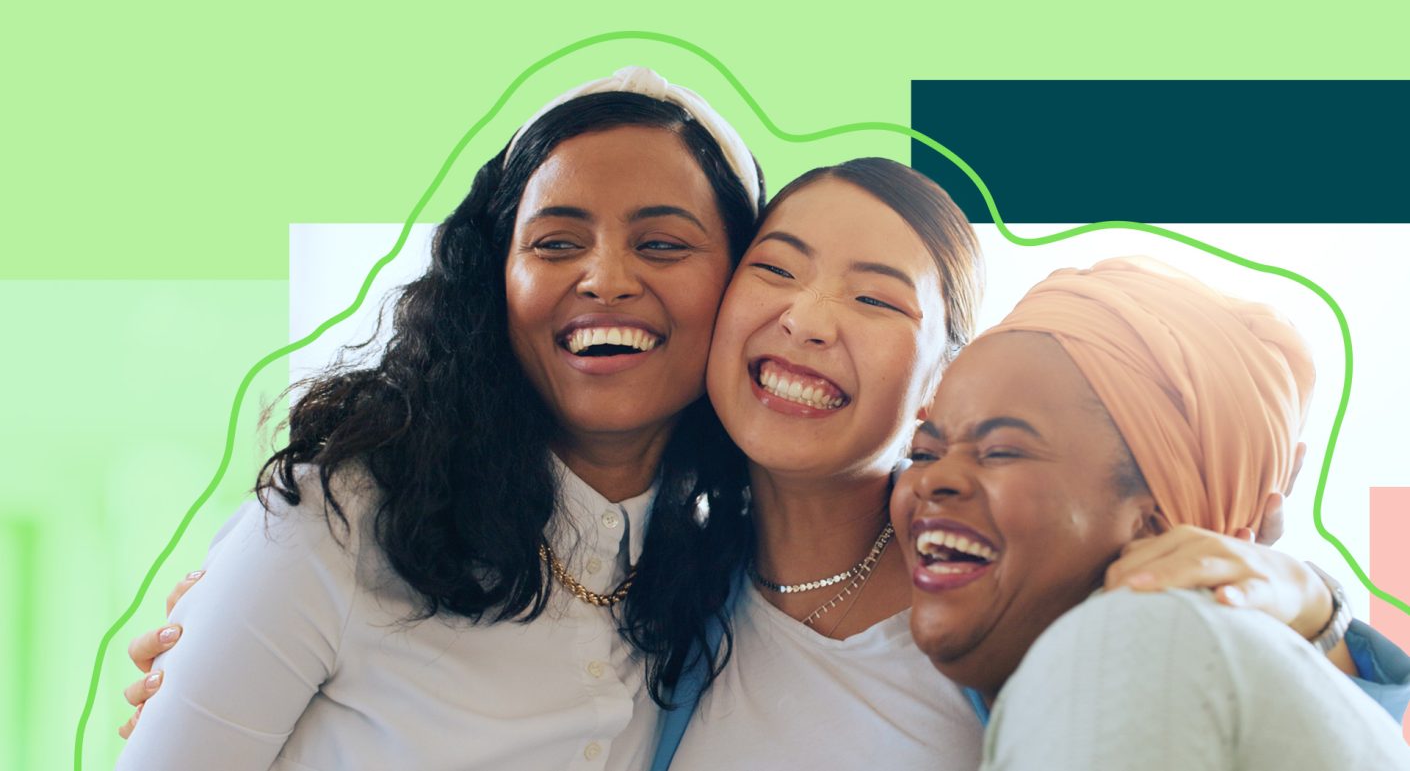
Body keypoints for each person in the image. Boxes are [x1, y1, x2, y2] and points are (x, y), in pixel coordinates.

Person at [125, 155, 1409, 767]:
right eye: (777, 272)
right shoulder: (644, 595)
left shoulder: (1008, 614)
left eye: (874, 298)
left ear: (942, 372)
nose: (804, 318)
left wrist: (1317, 599)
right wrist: (267, 637)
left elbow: (1216, 669)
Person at [115, 67, 763, 770]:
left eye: (663, 244)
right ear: (494, 278)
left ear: (742, 288)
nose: (606, 278)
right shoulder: (337, 521)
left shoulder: (719, 565)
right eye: (555, 243)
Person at [894, 257, 1410, 769]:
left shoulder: (1123, 645)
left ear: (1160, 528)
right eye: (923, 453)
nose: (934, 478)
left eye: (1002, 451)